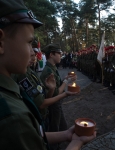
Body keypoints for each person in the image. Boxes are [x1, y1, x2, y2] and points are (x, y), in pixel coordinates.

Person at [0, 0, 96, 150]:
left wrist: (66, 135)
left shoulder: (8, 91)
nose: (33, 52)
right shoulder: (12, 116)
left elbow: (32, 135)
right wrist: (76, 143)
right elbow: (40, 105)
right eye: (28, 42)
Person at [40, 44, 78, 149]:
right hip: (53, 105)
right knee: (54, 129)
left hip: (56, 104)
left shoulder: (52, 67)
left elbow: (58, 84)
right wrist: (66, 81)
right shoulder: (48, 70)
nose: (61, 56)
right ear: (52, 54)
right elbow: (56, 93)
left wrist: (66, 79)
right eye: (59, 54)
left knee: (62, 127)